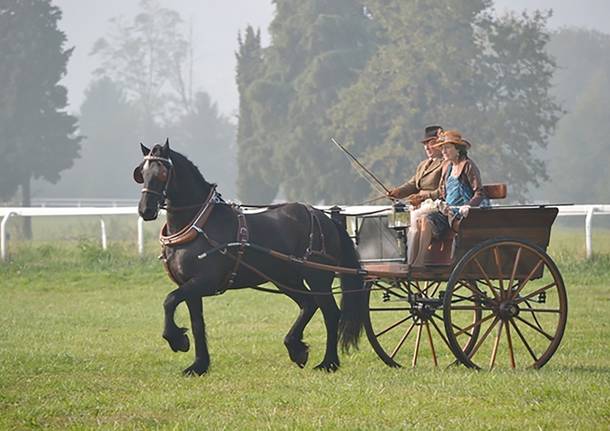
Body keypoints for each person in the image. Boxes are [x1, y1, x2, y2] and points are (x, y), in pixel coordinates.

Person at [408, 130, 487, 267]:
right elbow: (443, 193)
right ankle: (412, 261)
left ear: (458, 149)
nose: (443, 151)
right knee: (420, 220)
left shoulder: (468, 166)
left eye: (447, 147)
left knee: (426, 220)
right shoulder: (448, 168)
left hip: (461, 214)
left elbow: (479, 193)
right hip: (447, 212)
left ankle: (419, 262)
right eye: (442, 148)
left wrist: (468, 206)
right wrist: (426, 199)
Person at [387, 125, 444, 206]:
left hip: (435, 206)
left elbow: (444, 190)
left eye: (431, 143)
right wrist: (398, 192)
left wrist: (423, 197)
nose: (426, 148)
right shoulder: (422, 165)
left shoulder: (446, 164)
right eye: (425, 144)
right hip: (419, 206)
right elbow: (413, 184)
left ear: (440, 145)